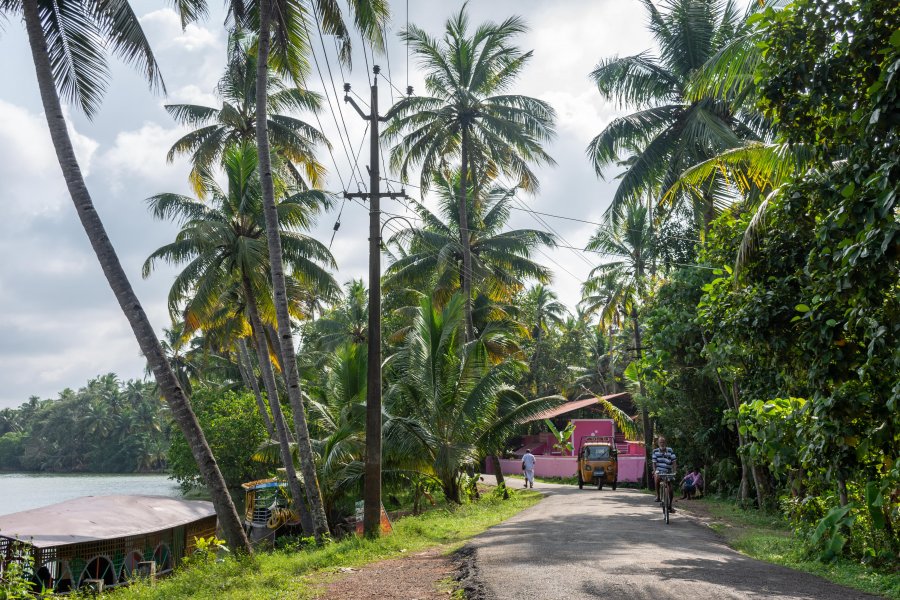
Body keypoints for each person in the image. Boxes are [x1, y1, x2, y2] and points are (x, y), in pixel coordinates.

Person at [651, 435, 677, 513]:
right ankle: (658, 496)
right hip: (659, 471)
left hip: (668, 472)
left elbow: (674, 462)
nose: (662, 443)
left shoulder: (670, 450)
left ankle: (670, 506)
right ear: (658, 443)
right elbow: (654, 463)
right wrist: (655, 471)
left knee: (671, 489)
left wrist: (675, 471)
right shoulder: (655, 451)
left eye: (663, 442)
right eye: (660, 442)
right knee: (657, 478)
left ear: (665, 443)